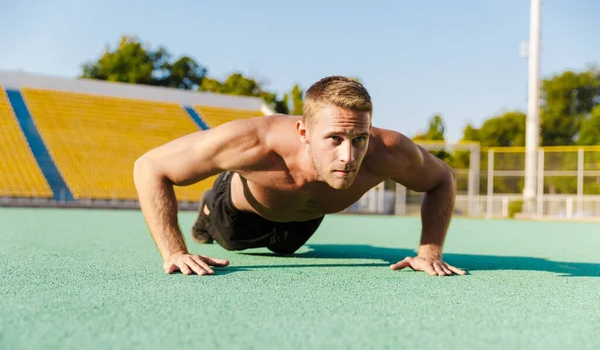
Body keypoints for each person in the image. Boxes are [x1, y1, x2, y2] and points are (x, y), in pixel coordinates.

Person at [134, 76, 466, 277]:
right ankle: (207, 213)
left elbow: (442, 179)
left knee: (285, 248)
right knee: (232, 239)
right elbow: (150, 166)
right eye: (334, 139)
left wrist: (429, 253)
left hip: (302, 225)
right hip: (238, 215)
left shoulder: (389, 151)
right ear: (303, 132)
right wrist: (175, 251)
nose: (348, 157)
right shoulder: (255, 142)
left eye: (359, 139)